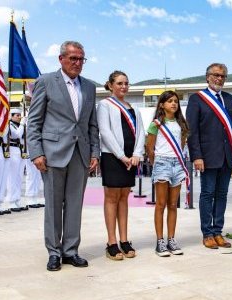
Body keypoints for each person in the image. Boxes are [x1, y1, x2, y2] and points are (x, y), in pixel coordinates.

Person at [27, 41, 100, 271]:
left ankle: (71, 250)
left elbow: (91, 124)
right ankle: (54, 252)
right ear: (61, 59)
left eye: (81, 59)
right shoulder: (46, 82)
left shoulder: (89, 87)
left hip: (80, 154)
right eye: (73, 58)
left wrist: (95, 152)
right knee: (53, 205)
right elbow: (34, 121)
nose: (77, 63)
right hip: (52, 154)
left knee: (75, 205)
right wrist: (36, 152)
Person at [186, 63, 232, 249]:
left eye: (223, 76)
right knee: (207, 194)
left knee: (222, 194)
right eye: (216, 75)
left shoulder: (230, 99)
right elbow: (192, 131)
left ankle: (218, 231)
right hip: (207, 157)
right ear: (207, 77)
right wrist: (196, 156)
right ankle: (207, 233)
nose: (219, 79)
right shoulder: (197, 99)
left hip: (228, 156)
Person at [97, 70, 145, 260]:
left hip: (130, 159)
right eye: (119, 83)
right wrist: (121, 155)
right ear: (110, 85)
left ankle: (124, 240)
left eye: (126, 83)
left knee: (124, 196)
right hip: (112, 157)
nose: (123, 86)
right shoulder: (104, 105)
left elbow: (141, 132)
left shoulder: (134, 108)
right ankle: (111, 242)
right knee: (112, 197)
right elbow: (105, 132)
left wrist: (136, 154)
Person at [146, 90, 188, 256]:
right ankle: (160, 241)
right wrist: (155, 162)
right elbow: (150, 147)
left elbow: (182, 144)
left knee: (173, 205)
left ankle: (171, 239)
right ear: (162, 104)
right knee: (161, 204)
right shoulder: (156, 123)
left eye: (176, 101)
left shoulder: (181, 124)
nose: (173, 104)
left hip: (177, 164)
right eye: (170, 101)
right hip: (162, 163)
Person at [6, 108, 28, 212]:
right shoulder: (10, 125)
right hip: (13, 149)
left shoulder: (20, 125)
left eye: (20, 115)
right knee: (12, 177)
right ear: (11, 116)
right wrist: (23, 125)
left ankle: (16, 200)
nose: (19, 117)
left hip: (21, 150)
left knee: (19, 177)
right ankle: (11, 200)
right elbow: (17, 135)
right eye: (17, 115)